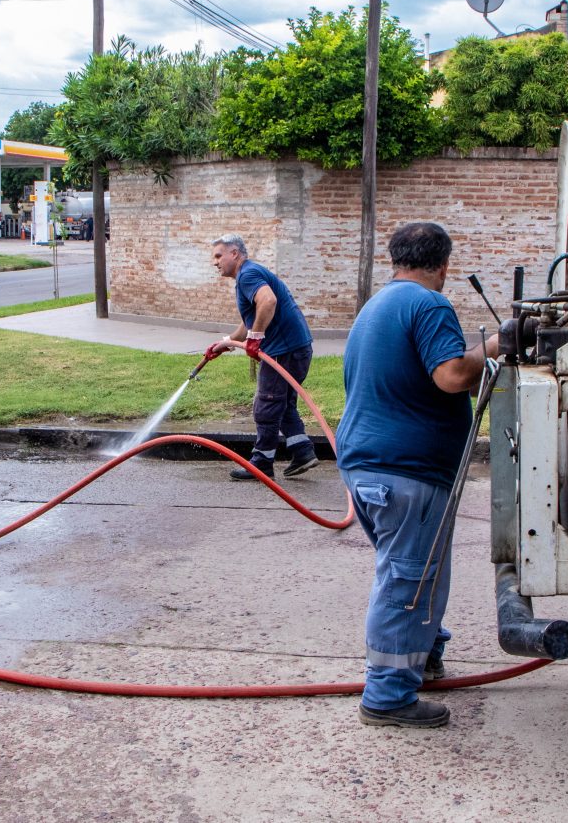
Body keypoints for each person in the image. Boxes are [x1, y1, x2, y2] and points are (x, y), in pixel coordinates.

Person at [336, 221, 499, 729]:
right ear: (443, 266)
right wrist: (496, 344)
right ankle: (386, 697)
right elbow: (450, 376)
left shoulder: (376, 305)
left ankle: (425, 656)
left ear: (395, 259)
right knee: (408, 579)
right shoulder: (429, 304)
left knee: (413, 572)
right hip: (407, 470)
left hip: (367, 465)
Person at [205, 234, 319, 481]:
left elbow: (268, 301)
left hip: (283, 351)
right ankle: (302, 451)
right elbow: (251, 319)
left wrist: (255, 338)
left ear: (234, 253)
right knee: (282, 403)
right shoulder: (250, 273)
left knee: (266, 406)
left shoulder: (248, 274)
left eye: (218, 256)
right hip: (296, 348)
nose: (215, 262)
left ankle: (261, 464)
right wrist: (226, 343)